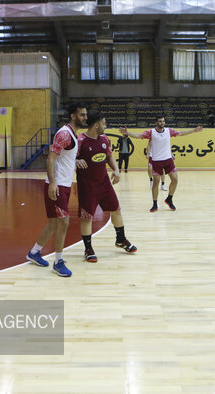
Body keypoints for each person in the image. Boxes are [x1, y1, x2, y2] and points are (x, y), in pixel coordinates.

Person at [25, 102, 87, 277]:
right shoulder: (64, 134)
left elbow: (62, 158)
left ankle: (35, 252)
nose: (85, 117)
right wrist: (52, 183)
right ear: (73, 116)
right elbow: (50, 159)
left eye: (86, 114)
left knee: (54, 223)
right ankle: (58, 262)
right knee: (63, 222)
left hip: (64, 184)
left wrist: (75, 161)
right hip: (57, 185)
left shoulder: (73, 135)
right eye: (82, 115)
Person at [76, 111, 137, 262]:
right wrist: (75, 162)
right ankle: (88, 249)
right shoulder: (80, 140)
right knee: (87, 217)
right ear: (96, 125)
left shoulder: (104, 139)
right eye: (104, 123)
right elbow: (67, 158)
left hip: (104, 183)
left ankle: (121, 239)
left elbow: (109, 156)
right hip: (87, 186)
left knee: (116, 210)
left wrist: (116, 170)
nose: (106, 126)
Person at [121, 116, 202, 212]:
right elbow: (139, 136)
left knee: (175, 180)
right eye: (160, 121)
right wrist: (127, 133)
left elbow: (181, 133)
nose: (162, 122)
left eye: (163, 121)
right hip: (156, 160)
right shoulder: (151, 132)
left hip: (168, 159)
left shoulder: (169, 131)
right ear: (156, 122)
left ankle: (169, 199)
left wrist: (194, 130)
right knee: (156, 183)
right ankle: (154, 204)